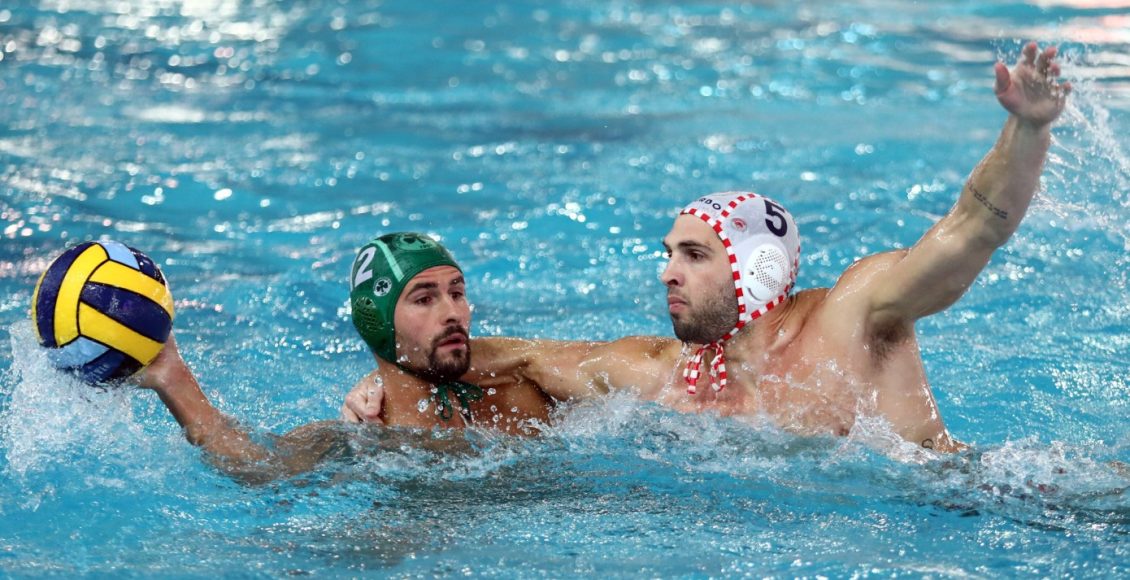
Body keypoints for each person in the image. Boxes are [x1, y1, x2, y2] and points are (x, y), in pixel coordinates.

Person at [343, 42, 1071, 453]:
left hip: (973, 504)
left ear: (756, 267)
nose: (667, 273)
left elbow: (972, 228)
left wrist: (1028, 131)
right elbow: (526, 356)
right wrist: (389, 374)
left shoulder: (855, 313)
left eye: (694, 255)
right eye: (669, 253)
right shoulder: (666, 372)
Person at [138, 232, 555, 483]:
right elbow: (256, 467)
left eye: (458, 293)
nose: (453, 312)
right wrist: (172, 378)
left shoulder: (520, 402)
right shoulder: (348, 443)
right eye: (425, 298)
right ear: (378, 321)